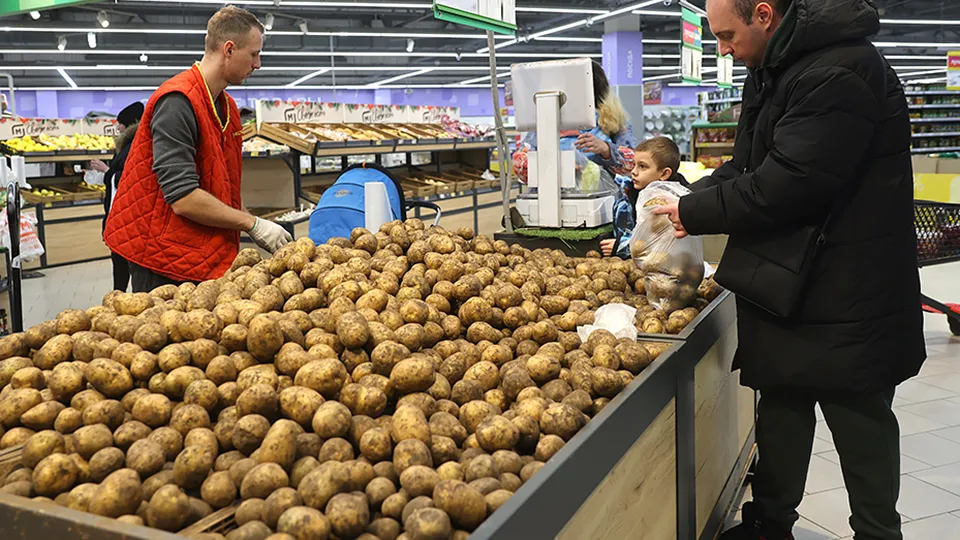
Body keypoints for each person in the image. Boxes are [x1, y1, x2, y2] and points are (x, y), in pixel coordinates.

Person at [653, 0, 925, 539]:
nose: (722, 49)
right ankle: (769, 524)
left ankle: (877, 533)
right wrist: (681, 195)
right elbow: (747, 165)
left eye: (728, 35)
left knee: (859, 419)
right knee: (781, 408)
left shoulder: (841, 70)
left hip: (848, 286)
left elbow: (789, 184)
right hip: (788, 280)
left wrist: (694, 211)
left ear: (763, 14)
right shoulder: (774, 70)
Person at [104, 6, 291, 293]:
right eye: (254, 54)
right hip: (159, 253)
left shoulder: (225, 106)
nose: (258, 64)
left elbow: (222, 184)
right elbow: (182, 197)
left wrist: (252, 222)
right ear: (229, 49)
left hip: (196, 246)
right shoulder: (178, 102)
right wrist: (251, 224)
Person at [512, 61, 638, 191]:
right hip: (547, 201)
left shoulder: (613, 120)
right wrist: (556, 166)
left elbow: (634, 164)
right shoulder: (544, 120)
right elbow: (520, 167)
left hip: (599, 203)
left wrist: (606, 150)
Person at [601, 137, 688, 258]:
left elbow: (662, 243)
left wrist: (620, 247)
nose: (634, 172)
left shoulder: (671, 203)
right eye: (633, 164)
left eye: (643, 166)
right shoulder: (631, 191)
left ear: (664, 173)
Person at [90, 101, 144, 292]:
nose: (118, 126)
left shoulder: (136, 145)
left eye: (121, 123)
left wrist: (107, 171)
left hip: (128, 216)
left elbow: (134, 178)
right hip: (123, 215)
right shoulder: (127, 145)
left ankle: (124, 297)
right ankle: (119, 297)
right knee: (120, 262)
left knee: (124, 263)